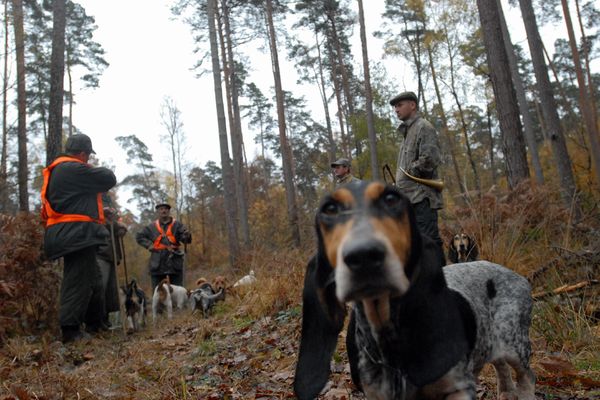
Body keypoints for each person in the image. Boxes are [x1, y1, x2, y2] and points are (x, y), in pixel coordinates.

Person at [41, 134, 117, 343]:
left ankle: (96, 325)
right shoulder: (72, 168)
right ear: (83, 154)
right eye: (88, 156)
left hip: (72, 232)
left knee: (93, 279)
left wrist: (103, 212)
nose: (88, 160)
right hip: (74, 234)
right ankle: (70, 331)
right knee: (77, 280)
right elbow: (108, 178)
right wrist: (92, 169)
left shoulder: (63, 170)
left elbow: (73, 201)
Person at [390, 91, 444, 251]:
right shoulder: (407, 133)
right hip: (410, 200)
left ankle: (439, 276)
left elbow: (430, 159)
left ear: (412, 105)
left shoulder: (423, 127)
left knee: (429, 243)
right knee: (417, 247)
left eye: (399, 105)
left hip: (422, 199)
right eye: (395, 107)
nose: (396, 110)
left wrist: (408, 172)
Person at [135, 203, 192, 289]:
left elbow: (185, 240)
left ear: (169, 211)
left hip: (174, 262)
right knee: (157, 292)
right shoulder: (151, 227)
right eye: (161, 209)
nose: (163, 211)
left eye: (166, 209)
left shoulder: (177, 225)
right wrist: (149, 245)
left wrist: (187, 236)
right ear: (158, 211)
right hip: (157, 262)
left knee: (178, 291)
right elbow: (139, 236)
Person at [96, 207, 127, 328]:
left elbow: (117, 223)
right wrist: (114, 224)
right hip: (101, 253)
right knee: (101, 287)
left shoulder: (108, 200)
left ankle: (106, 319)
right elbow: (102, 224)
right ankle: (96, 321)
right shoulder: (94, 202)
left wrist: (121, 227)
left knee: (111, 289)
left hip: (113, 255)